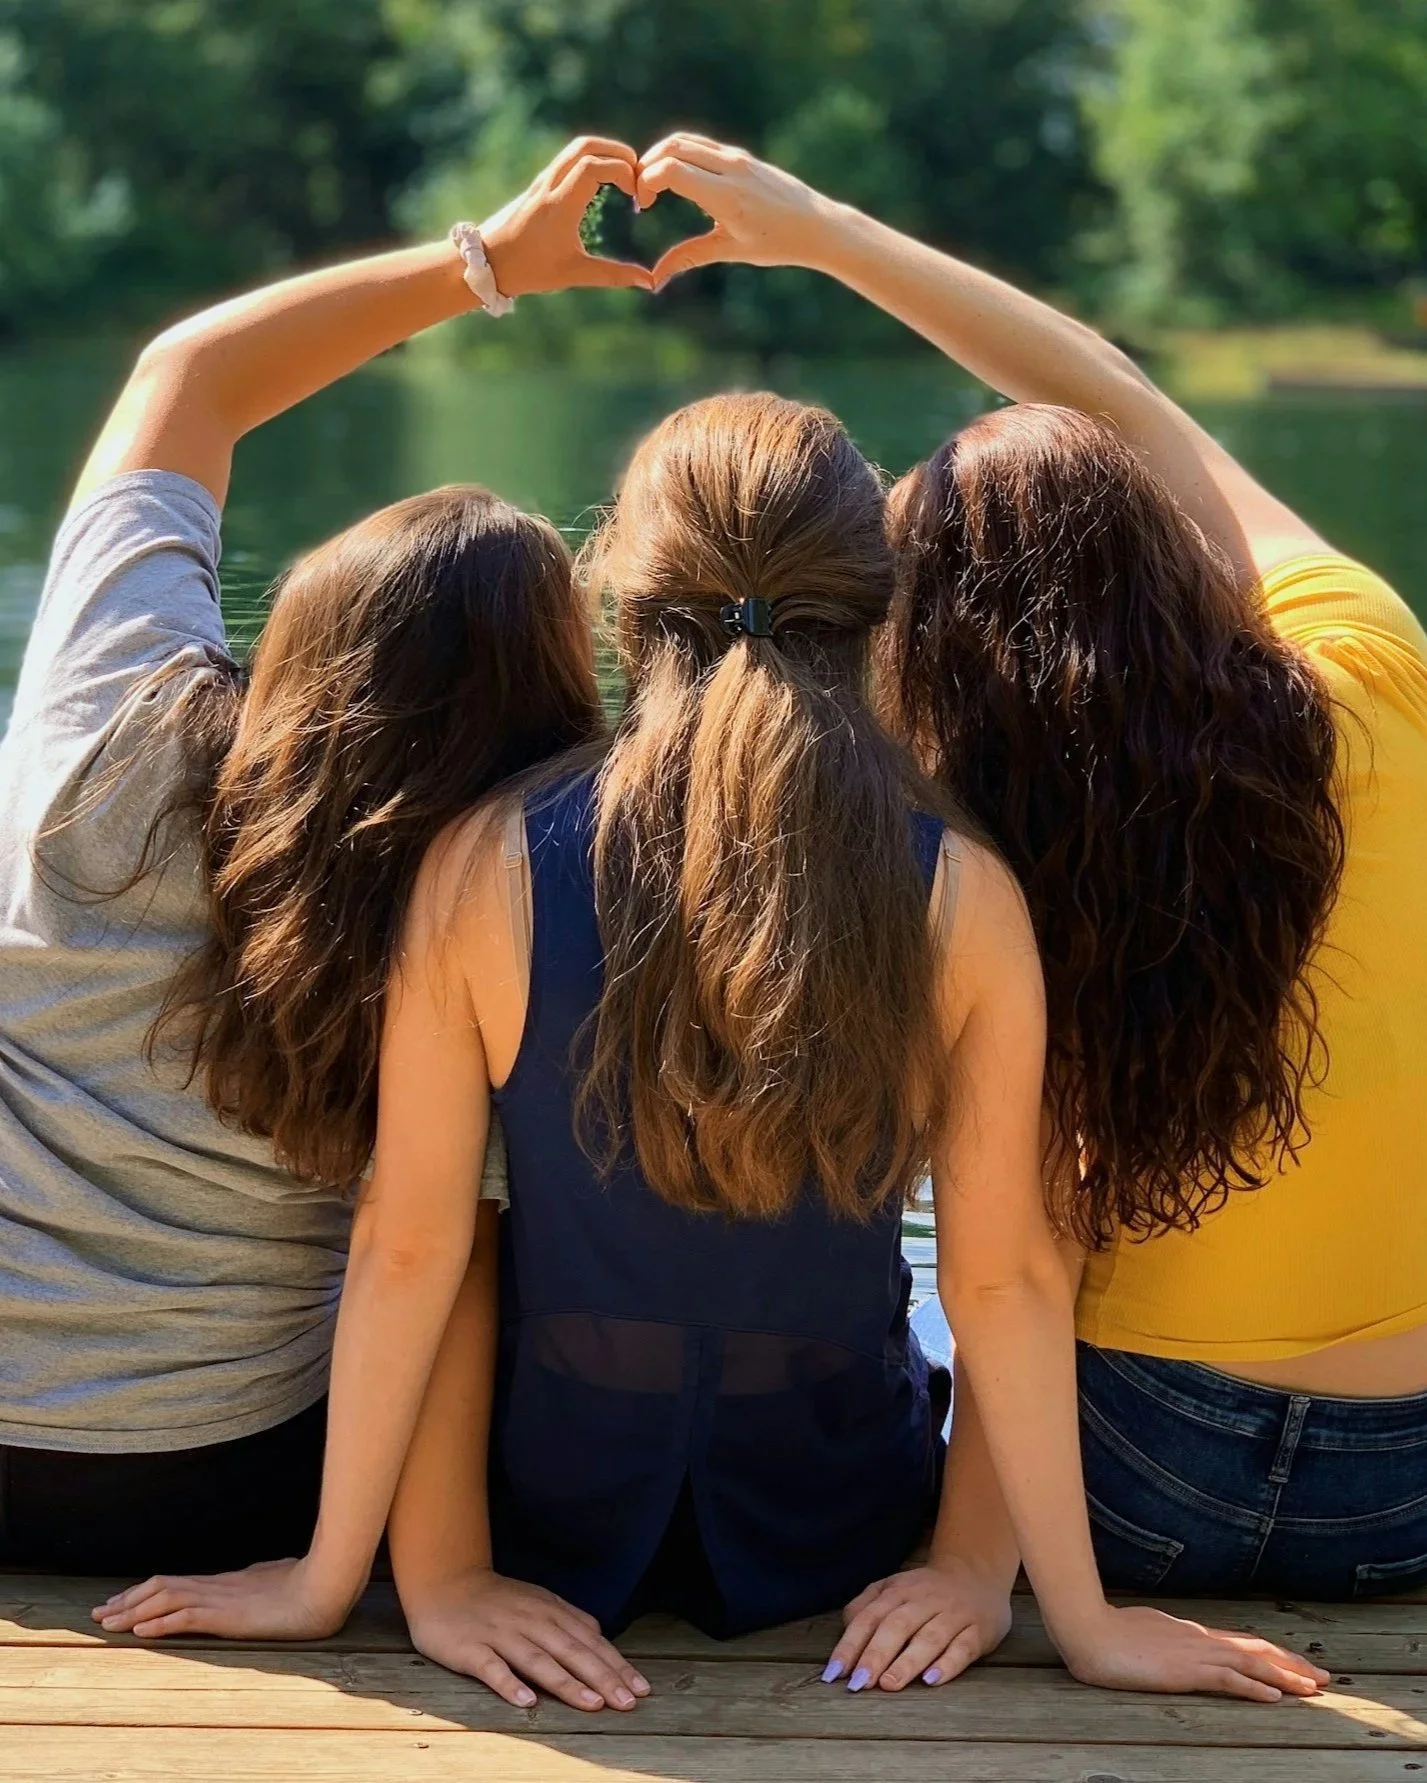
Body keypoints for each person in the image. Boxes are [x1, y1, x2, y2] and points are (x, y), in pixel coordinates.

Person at [97, 381, 1323, 1712]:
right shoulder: (963, 888)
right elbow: (1004, 1280)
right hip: (836, 1519)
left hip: (544, 1515)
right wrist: (1038, 1599)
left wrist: (357, 1577)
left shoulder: (481, 863)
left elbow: (409, 1240)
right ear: (874, 605)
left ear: (625, 598)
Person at [626, 140, 1427, 1635]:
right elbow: (1122, 402)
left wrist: (969, 1565)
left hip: (1142, 1481)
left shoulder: (988, 874)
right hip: (1409, 1479)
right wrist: (828, 230)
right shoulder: (1369, 673)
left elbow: (1017, 1261)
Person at [0, 136, 647, 1576]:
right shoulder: (504, 888)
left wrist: (482, 262)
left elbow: (186, 377)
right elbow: (440, 1263)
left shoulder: (102, 732)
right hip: (223, 1483)